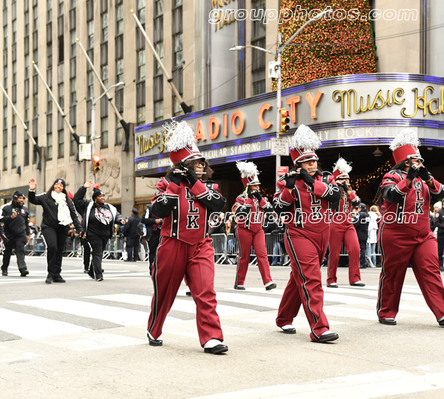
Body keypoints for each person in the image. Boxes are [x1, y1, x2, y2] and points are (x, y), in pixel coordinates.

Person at [146, 119, 228, 354]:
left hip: (201, 244)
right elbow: (159, 210)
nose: (200, 166)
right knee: (164, 293)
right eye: (194, 163)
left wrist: (195, 183)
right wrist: (174, 184)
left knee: (206, 291)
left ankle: (212, 337)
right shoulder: (165, 184)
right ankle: (154, 328)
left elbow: (218, 204)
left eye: (201, 162)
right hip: (172, 244)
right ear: (182, 165)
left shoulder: (209, 187)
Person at [375, 128, 444, 327]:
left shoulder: (424, 178)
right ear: (407, 162)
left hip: (423, 234)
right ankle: (386, 311)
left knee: (431, 270)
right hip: (396, 233)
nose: (421, 163)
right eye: (417, 159)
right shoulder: (391, 175)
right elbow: (391, 195)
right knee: (393, 274)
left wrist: (428, 178)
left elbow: (442, 192)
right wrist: (408, 180)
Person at [273, 124, 341, 343]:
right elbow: (278, 208)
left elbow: (336, 195)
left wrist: (312, 183)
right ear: (298, 164)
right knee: (311, 278)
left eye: (313, 161)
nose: (312, 164)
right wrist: (288, 189)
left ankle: (284, 317)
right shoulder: (286, 181)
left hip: (323, 233)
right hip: (298, 234)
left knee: (299, 276)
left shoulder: (326, 179)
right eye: (307, 161)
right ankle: (319, 328)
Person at [28, 177, 83, 284]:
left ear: (63, 188)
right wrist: (31, 190)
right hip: (49, 227)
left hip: (63, 227)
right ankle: (50, 273)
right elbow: (33, 200)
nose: (58, 186)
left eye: (61, 185)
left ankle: (57, 274)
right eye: (56, 184)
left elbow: (74, 215)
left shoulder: (67, 200)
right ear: (53, 185)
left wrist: (79, 229)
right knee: (52, 247)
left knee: (59, 250)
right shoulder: (45, 197)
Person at [232, 161, 276, 291]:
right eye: (254, 185)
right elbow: (241, 214)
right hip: (243, 229)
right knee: (244, 256)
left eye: (258, 185)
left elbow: (269, 210)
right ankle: (239, 282)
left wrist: (259, 198)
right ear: (248, 186)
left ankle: (268, 281)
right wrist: (250, 199)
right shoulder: (240, 198)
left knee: (262, 255)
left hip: (258, 230)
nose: (257, 187)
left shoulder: (263, 198)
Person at [73, 180, 126, 281]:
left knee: (98, 253)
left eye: (103, 196)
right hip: (93, 234)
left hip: (105, 234)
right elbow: (77, 199)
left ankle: (91, 271)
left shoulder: (109, 207)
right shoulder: (88, 206)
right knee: (97, 253)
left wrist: (120, 220)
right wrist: (84, 188)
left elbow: (116, 215)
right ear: (95, 198)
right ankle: (98, 274)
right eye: (99, 196)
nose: (102, 198)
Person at [326, 157, 363, 287]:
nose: (346, 181)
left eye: (347, 179)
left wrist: (347, 189)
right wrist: (338, 186)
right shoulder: (333, 191)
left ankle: (355, 278)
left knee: (355, 249)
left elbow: (357, 202)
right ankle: (331, 279)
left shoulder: (351, 192)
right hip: (335, 223)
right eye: (343, 179)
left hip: (348, 223)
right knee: (334, 254)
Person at [0, 191, 30, 277]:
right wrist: (10, 217)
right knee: (7, 252)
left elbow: (26, 222)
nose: (21, 200)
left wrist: (28, 234)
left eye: (22, 198)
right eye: (20, 198)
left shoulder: (25, 209)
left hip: (21, 234)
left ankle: (23, 269)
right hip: (9, 234)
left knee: (20, 251)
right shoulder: (6, 208)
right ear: (15, 199)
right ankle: (4, 268)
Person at [141, 205, 163, 275]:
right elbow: (144, 219)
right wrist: (154, 221)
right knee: (152, 253)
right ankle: (152, 271)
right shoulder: (150, 208)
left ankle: (161, 271)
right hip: (152, 234)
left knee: (162, 253)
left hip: (163, 233)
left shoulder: (166, 206)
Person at [354, 203, 370, 269]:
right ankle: (363, 263)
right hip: (365, 232)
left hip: (358, 232)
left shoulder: (359, 214)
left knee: (357, 248)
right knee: (363, 249)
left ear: (360, 208)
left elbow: (355, 222)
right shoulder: (367, 214)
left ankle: (360, 263)